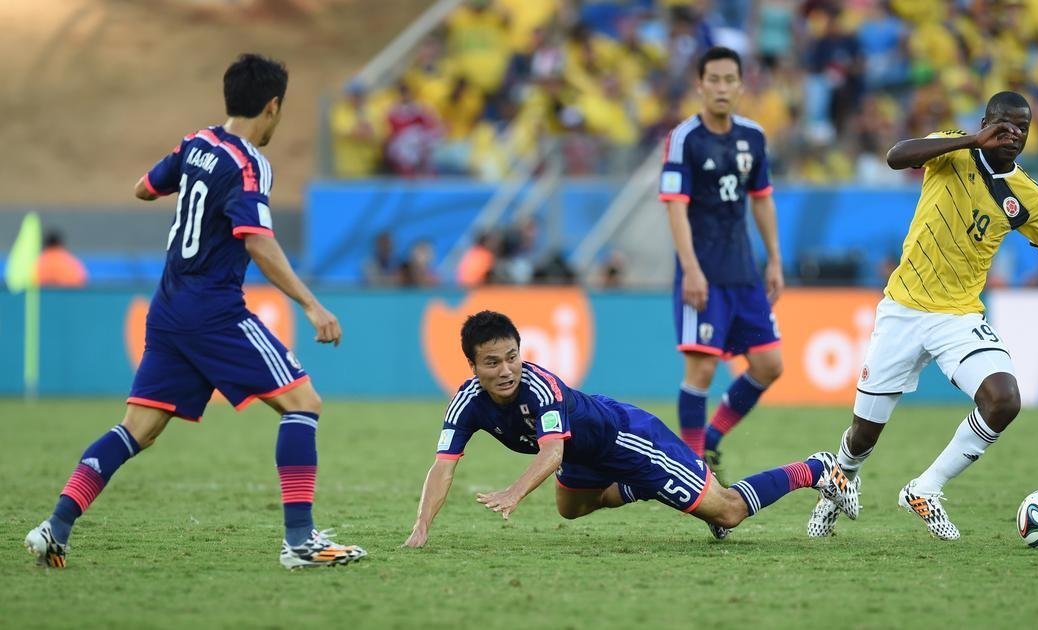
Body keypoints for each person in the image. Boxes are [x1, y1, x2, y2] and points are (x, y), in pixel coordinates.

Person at [24, 54, 366, 569]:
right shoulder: (250, 163)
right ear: (272, 106)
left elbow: (144, 188)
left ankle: (55, 527)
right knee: (304, 403)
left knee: (137, 428)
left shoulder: (196, 143)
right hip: (214, 310)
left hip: (167, 309)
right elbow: (258, 242)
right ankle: (299, 541)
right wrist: (313, 305)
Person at [808, 91, 1038, 541]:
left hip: (959, 317)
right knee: (863, 436)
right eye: (1003, 124)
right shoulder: (951, 149)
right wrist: (971, 140)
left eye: (1022, 127)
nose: (1013, 133)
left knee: (1004, 399)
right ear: (986, 122)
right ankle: (839, 482)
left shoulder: (1029, 197)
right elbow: (895, 157)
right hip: (903, 310)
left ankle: (925, 489)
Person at [403, 310, 859, 548]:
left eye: (511, 357)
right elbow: (442, 466)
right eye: (492, 362)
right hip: (586, 454)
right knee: (571, 508)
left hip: (628, 439)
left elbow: (551, 455)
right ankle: (658, 488)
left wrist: (513, 492)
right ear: (472, 366)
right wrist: (422, 525)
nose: (505, 370)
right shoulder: (466, 402)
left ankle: (814, 470)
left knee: (728, 513)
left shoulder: (539, 389)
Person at [659, 46, 785, 484]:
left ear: (740, 85)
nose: (721, 87)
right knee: (702, 369)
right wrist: (691, 269)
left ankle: (710, 438)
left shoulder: (753, 137)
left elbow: (762, 199)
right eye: (713, 79)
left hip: (744, 273)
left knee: (770, 364)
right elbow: (675, 207)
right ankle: (694, 473)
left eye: (729, 79)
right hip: (704, 274)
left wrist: (774, 259)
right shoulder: (685, 139)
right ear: (700, 84)